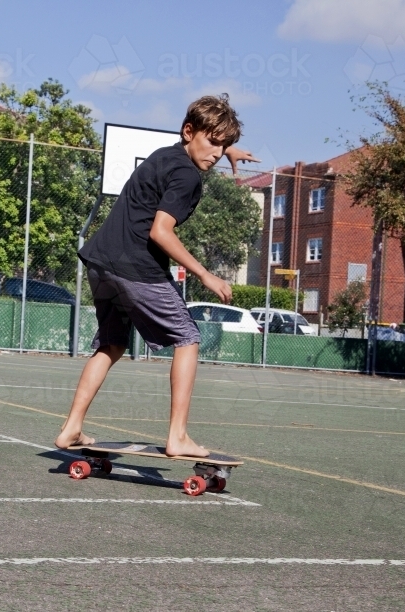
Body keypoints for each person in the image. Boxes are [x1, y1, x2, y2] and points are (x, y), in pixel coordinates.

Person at [55, 95, 258, 457]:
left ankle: (71, 428)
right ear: (189, 131)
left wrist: (227, 151)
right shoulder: (187, 176)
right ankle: (177, 436)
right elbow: (161, 232)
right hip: (135, 264)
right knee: (187, 336)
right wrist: (207, 275)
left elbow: (205, 143)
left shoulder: (165, 155)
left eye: (224, 144)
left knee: (112, 345)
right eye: (213, 142)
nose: (217, 151)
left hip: (101, 260)